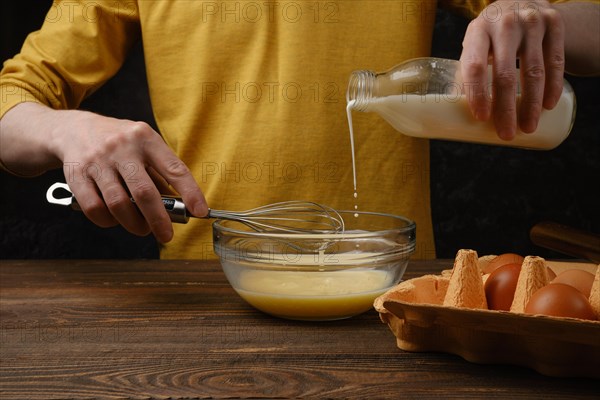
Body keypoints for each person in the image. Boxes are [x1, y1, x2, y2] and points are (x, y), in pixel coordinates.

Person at [1, 0, 598, 259]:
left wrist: (531, 13)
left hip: (393, 289)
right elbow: (10, 110)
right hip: (206, 297)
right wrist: (66, 131)